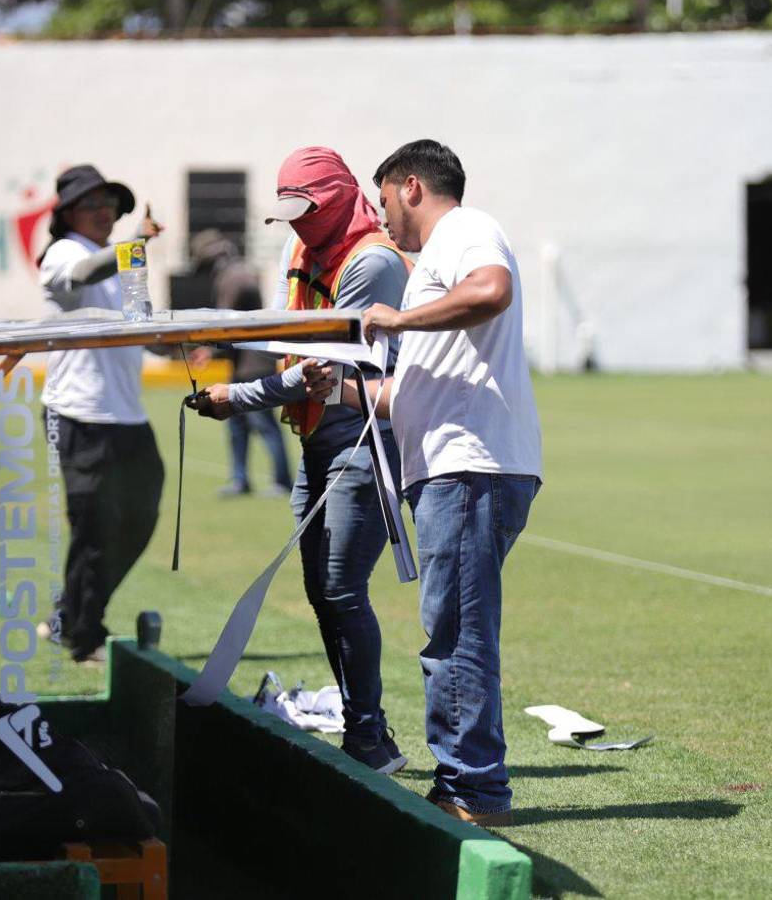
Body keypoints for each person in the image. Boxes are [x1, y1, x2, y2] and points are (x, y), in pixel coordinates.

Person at [303, 140, 543, 826]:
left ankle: (474, 791)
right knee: (450, 629)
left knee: (457, 633)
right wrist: (343, 388)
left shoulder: (465, 229)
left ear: (412, 186)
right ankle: (462, 784)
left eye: (383, 201)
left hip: (470, 467)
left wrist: (397, 318)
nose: (381, 219)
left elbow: (491, 291)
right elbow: (405, 395)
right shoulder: (435, 260)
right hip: (456, 466)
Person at [195, 146, 412, 773]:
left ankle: (370, 736)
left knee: (342, 588)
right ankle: (365, 729)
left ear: (341, 197)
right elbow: (291, 353)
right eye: (289, 212)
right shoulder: (306, 251)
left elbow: (318, 374)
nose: (297, 224)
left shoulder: (370, 263)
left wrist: (236, 398)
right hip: (319, 443)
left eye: (307, 210)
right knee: (322, 590)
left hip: (363, 443)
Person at [36, 165, 165, 663]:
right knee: (93, 529)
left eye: (109, 204)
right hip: (79, 412)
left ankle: (71, 613)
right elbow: (86, 275)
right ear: (67, 212)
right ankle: (83, 635)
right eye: (93, 204)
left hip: (126, 415)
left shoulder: (123, 258)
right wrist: (135, 244)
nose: (104, 212)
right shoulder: (64, 252)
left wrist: (181, 349)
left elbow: (142, 325)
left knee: (140, 517)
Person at [187, 229, 292, 497]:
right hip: (242, 363)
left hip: (254, 364)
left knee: (263, 425)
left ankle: (281, 480)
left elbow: (225, 320)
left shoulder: (235, 275)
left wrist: (209, 348)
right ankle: (240, 479)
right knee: (237, 426)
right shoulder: (235, 273)